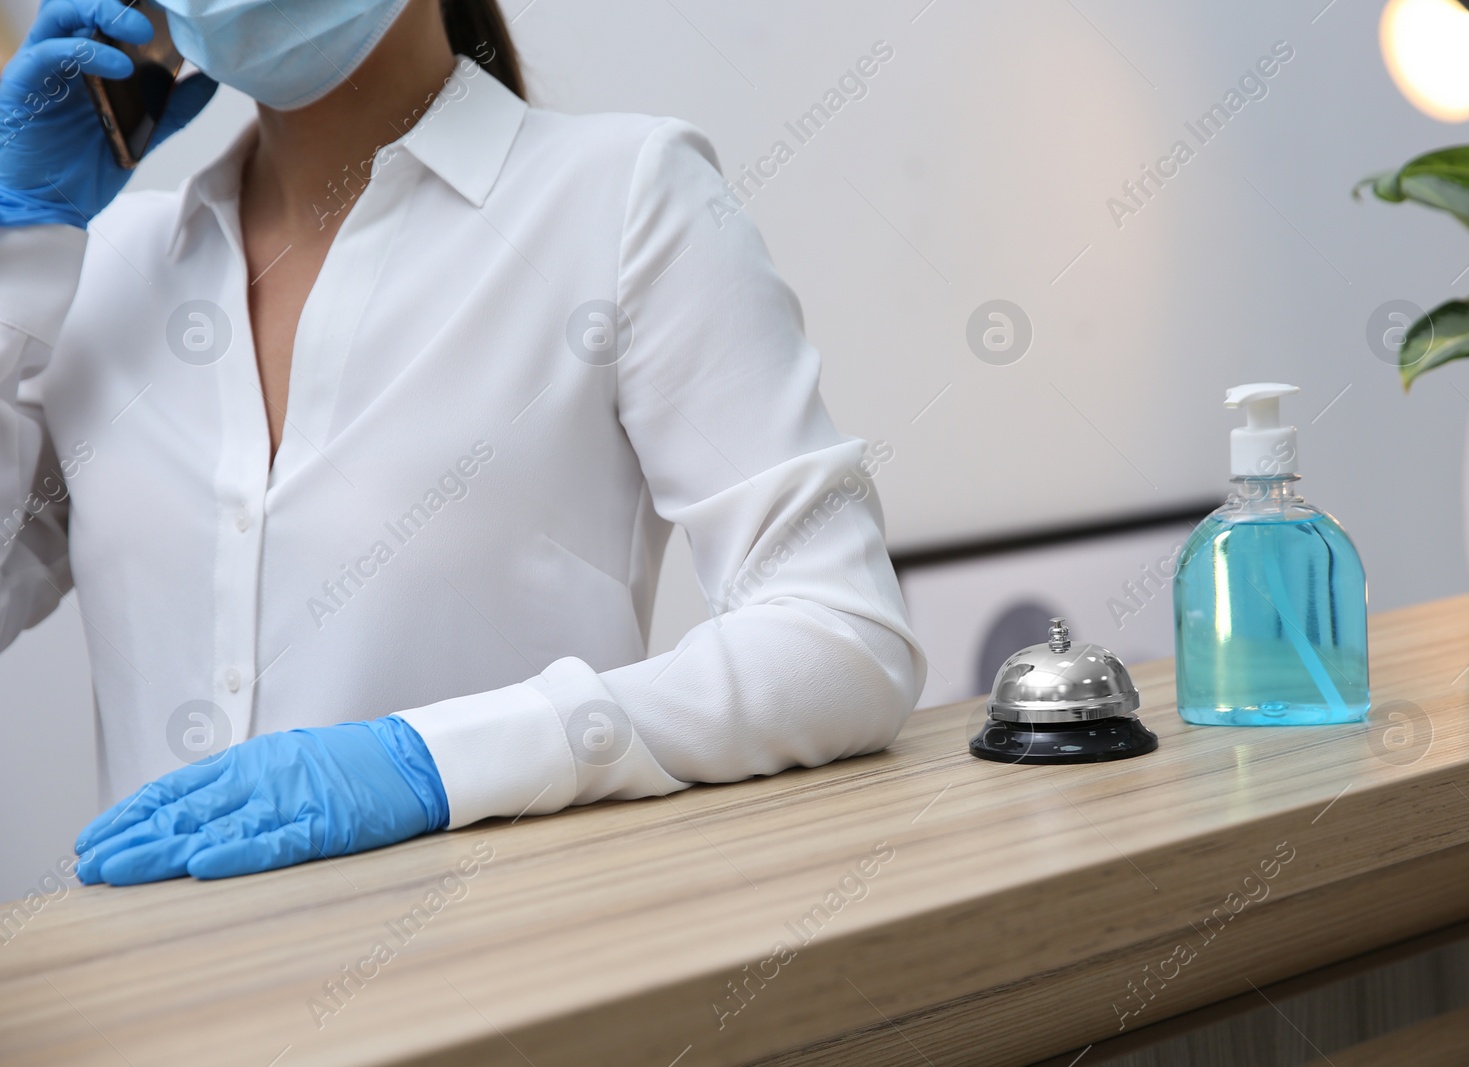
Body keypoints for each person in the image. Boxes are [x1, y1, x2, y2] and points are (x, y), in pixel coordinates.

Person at [0, 0, 924, 885]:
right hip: (158, 1023)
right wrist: (16, 242)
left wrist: (433, 764)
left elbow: (841, 641)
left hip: (501, 1001)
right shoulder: (99, 268)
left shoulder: (624, 199)